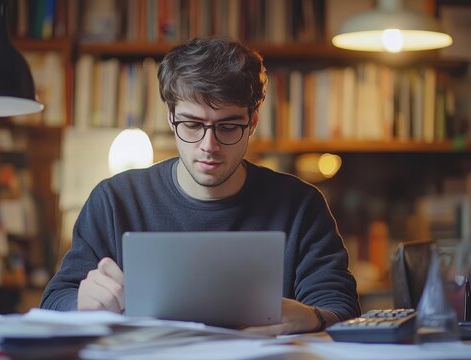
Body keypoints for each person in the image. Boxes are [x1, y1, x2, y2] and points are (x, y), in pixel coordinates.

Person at [41, 36, 360, 335]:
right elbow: (55, 301)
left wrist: (312, 316)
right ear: (170, 117)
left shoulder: (300, 205)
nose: (209, 145)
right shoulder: (115, 200)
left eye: (228, 126)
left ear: (253, 122)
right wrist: (82, 304)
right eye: (192, 125)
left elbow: (342, 309)